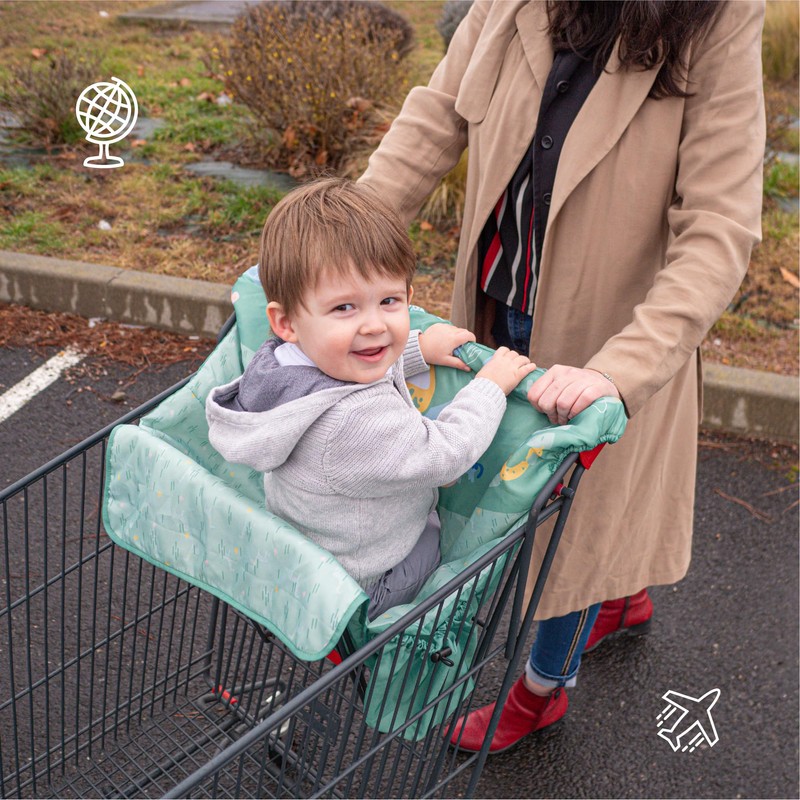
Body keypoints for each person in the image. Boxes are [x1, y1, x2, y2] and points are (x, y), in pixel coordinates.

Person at [359, 0, 765, 752]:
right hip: (495, 312)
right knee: (561, 516)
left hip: (607, 343)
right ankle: (622, 589)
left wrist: (621, 370)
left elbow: (719, 225)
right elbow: (434, 119)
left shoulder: (720, 17)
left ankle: (543, 690)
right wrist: (330, 247)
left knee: (572, 537)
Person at [205, 178, 538, 620]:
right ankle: (393, 661)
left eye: (388, 301)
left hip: (308, 559)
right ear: (286, 322)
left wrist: (417, 348)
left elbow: (358, 367)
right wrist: (491, 385)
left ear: (408, 297)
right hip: (366, 583)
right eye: (344, 308)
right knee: (446, 543)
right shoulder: (354, 421)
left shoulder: (278, 366)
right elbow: (444, 454)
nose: (374, 326)